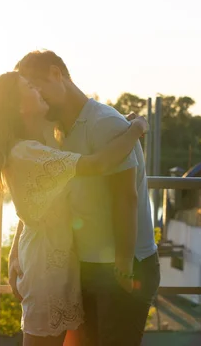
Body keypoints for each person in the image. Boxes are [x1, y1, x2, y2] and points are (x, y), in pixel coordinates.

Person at [0, 71, 148, 346]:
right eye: (30, 85)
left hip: (58, 260)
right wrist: (136, 129)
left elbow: (36, 205)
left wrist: (15, 250)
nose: (38, 89)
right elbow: (99, 164)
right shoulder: (28, 153)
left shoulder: (41, 143)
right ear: (18, 106)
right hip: (46, 267)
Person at [12, 50, 161, 346]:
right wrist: (16, 248)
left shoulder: (103, 122)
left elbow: (126, 197)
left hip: (122, 264)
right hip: (84, 265)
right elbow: (41, 197)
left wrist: (122, 264)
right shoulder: (55, 131)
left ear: (57, 74)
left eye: (37, 86)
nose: (37, 97)